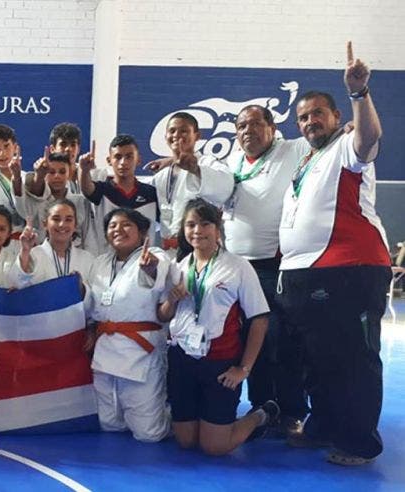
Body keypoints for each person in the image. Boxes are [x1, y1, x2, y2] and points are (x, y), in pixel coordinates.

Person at [277, 42, 390, 466]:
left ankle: (360, 442)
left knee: (354, 361)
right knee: (318, 360)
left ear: (336, 117)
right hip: (307, 275)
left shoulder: (346, 147)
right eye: (303, 116)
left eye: (318, 114)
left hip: (350, 272)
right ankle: (323, 424)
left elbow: (370, 137)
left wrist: (358, 93)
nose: (310, 121)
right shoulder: (308, 161)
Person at [162, 198, 277, 456]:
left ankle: (262, 414)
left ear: (217, 228)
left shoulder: (238, 266)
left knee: (214, 447)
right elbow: (164, 315)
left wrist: (244, 368)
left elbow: (259, 318)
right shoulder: (179, 267)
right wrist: (171, 298)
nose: (197, 231)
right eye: (190, 225)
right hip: (183, 360)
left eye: (205, 224)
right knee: (185, 441)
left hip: (220, 363)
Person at [224, 105, 309, 436]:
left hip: (275, 265)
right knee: (248, 341)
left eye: (256, 124)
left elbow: (325, 142)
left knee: (282, 340)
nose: (248, 131)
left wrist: (344, 133)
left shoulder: (291, 149)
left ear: (272, 128)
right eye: (242, 126)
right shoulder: (232, 161)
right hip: (236, 268)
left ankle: (292, 410)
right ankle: (263, 408)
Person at [88, 209, 175, 442]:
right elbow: (91, 302)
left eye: (126, 225)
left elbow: (155, 278)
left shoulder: (156, 255)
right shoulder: (100, 262)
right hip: (105, 348)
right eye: (113, 226)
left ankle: (177, 416)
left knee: (149, 434)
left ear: (142, 231)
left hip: (140, 351)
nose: (118, 230)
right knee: (110, 424)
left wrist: (151, 268)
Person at [150, 112, 233, 249]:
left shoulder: (207, 163)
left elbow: (226, 187)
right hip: (168, 250)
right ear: (166, 137)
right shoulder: (160, 175)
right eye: (172, 131)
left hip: (200, 246)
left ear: (197, 136)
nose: (177, 135)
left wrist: (196, 170)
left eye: (184, 131)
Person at [10, 199, 94, 314]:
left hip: (75, 327)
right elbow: (17, 286)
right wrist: (25, 251)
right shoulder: (33, 254)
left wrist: (82, 289)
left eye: (68, 220)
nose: (62, 224)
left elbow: (94, 304)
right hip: (42, 327)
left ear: (75, 225)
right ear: (45, 224)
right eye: (56, 219)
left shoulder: (87, 259)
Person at [80, 135, 159, 253]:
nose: (123, 162)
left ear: (138, 160)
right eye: (118, 157)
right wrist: (85, 170)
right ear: (109, 160)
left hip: (143, 262)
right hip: (109, 261)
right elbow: (87, 189)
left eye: (129, 157)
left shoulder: (151, 193)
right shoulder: (102, 189)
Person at [17, 150, 94, 251]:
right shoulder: (36, 201)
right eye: (51, 172)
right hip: (41, 256)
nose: (57, 176)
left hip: (74, 258)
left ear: (69, 172)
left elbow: (87, 236)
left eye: (62, 172)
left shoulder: (80, 201)